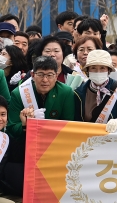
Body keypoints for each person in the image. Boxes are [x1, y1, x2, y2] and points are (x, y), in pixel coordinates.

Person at [2, 56, 77, 195]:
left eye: (50, 75)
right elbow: (12, 128)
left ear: (56, 76)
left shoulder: (66, 92)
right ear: (32, 75)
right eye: (40, 75)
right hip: (26, 149)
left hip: (55, 148)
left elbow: (68, 124)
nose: (45, 80)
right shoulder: (19, 93)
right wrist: (25, 125)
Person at [74, 51, 117, 127]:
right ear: (87, 70)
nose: (98, 72)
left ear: (109, 70)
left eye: (102, 68)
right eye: (93, 68)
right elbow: (76, 120)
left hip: (111, 136)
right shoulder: (79, 92)